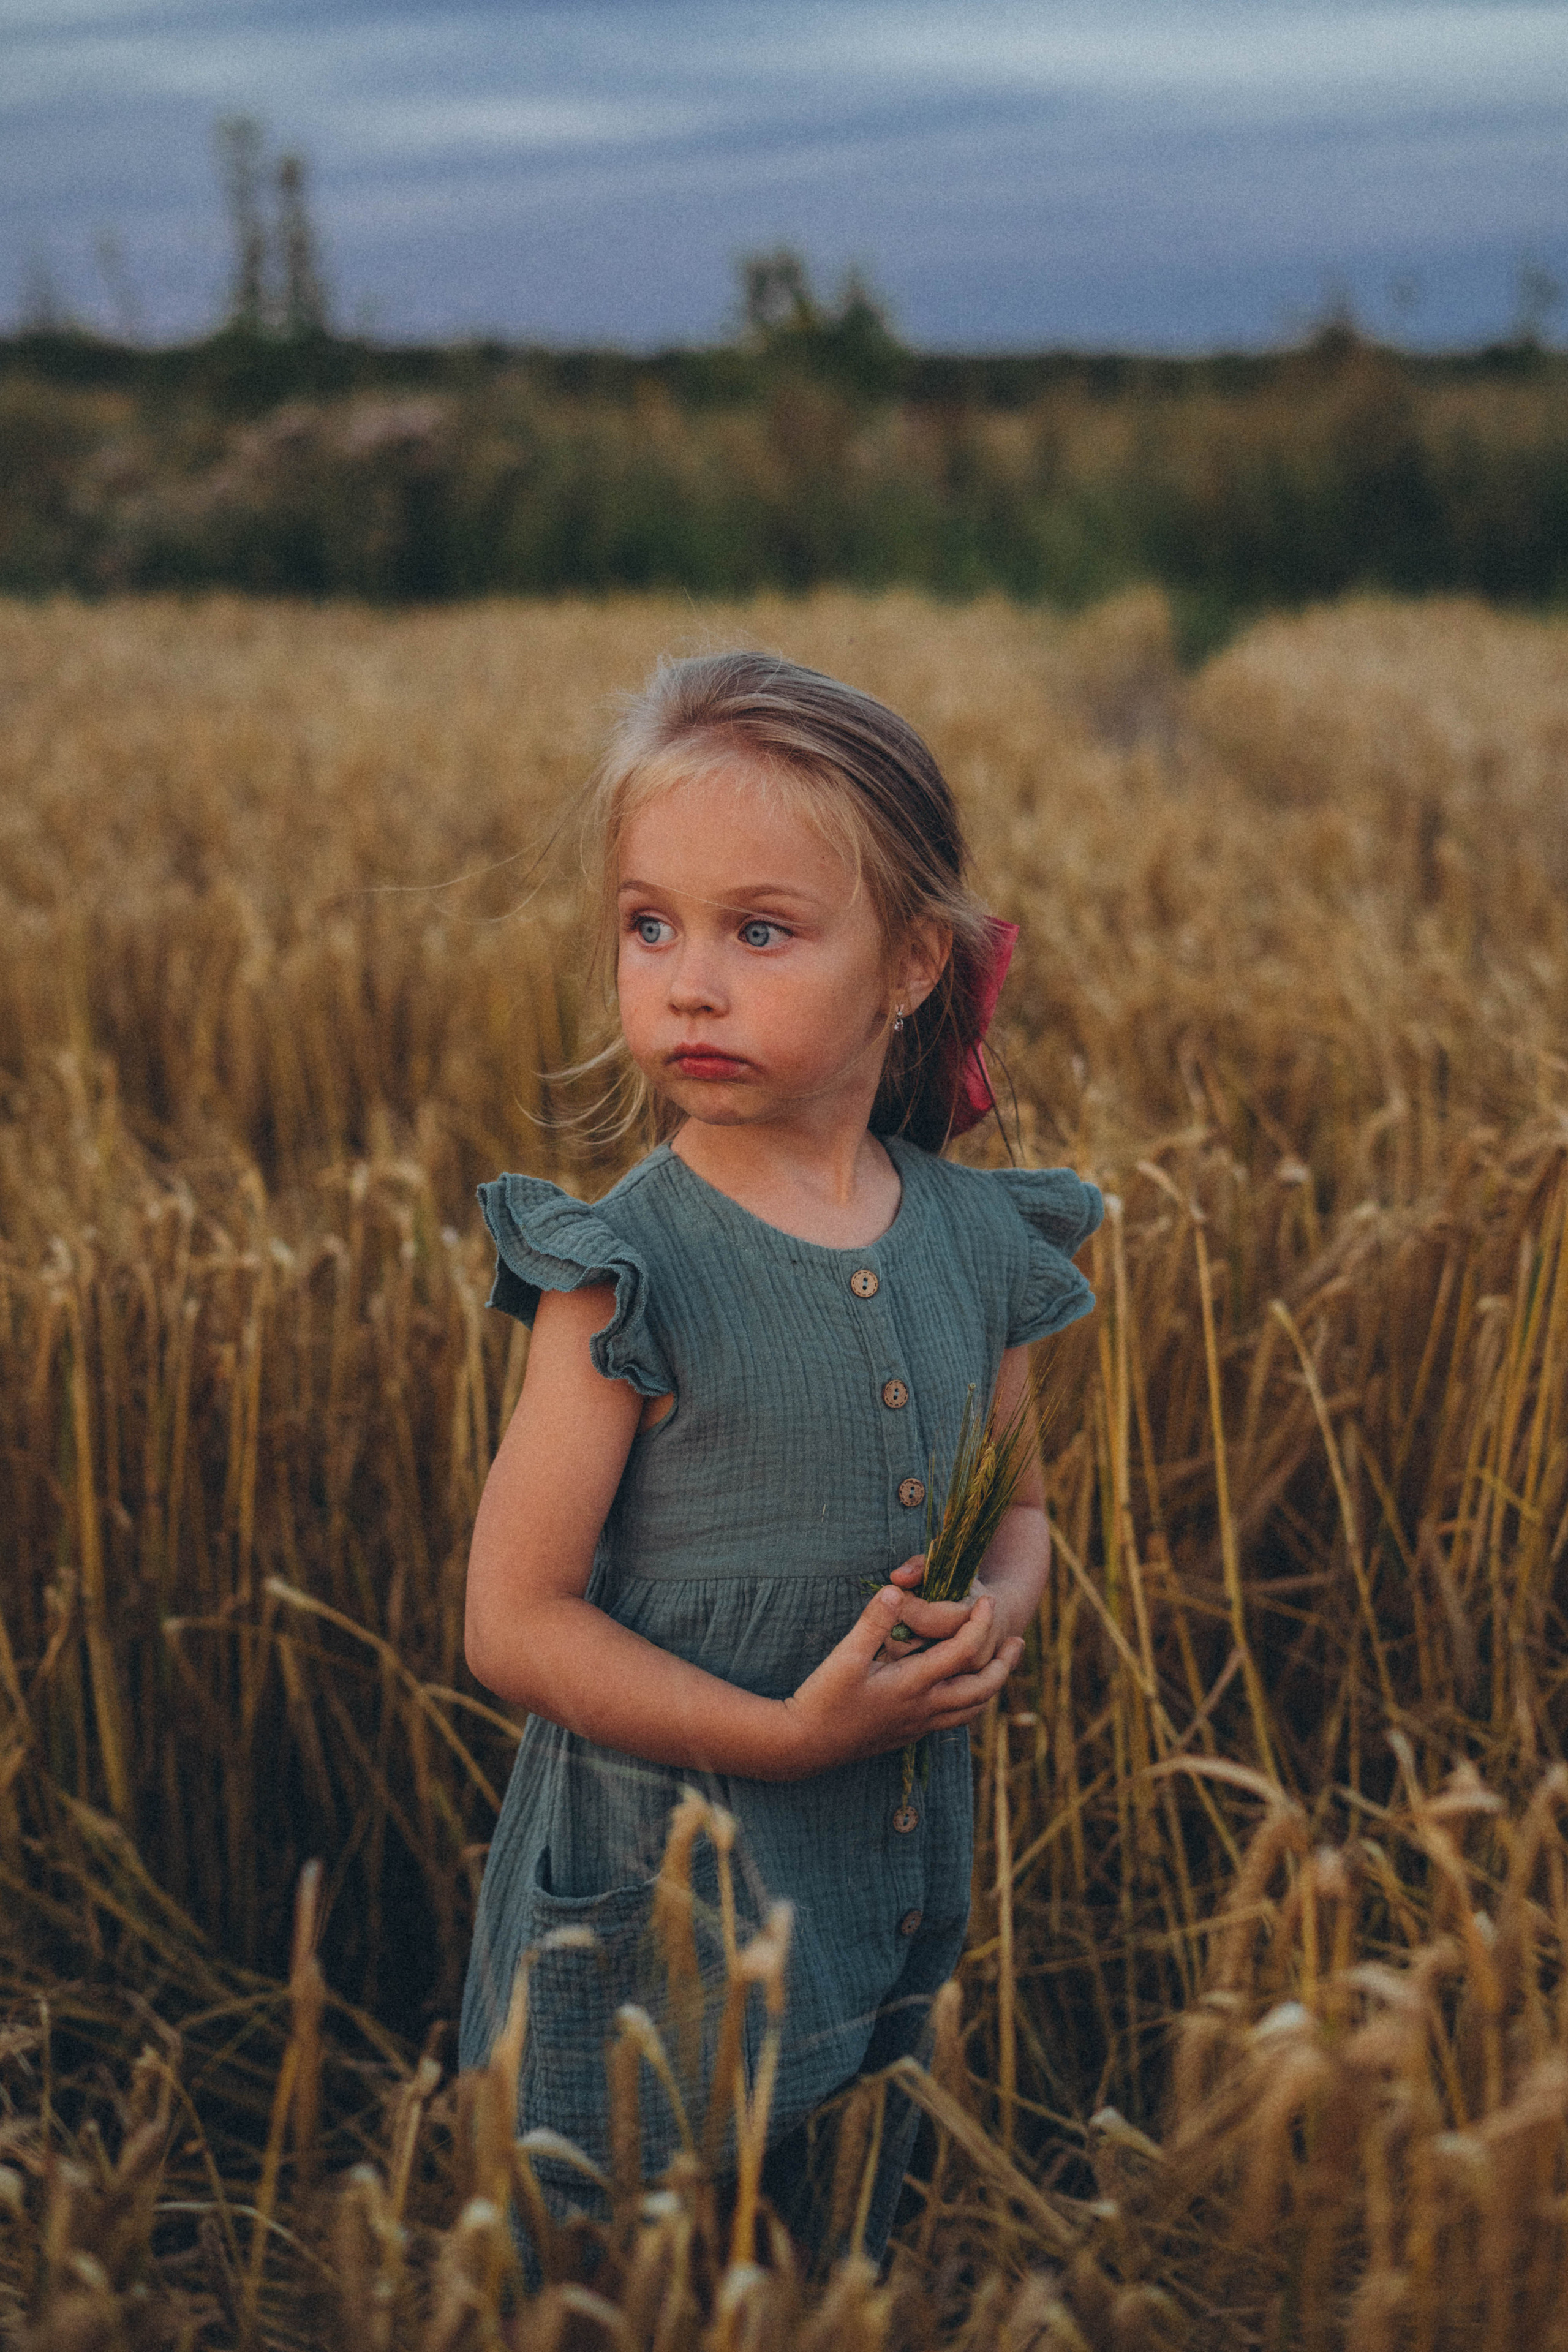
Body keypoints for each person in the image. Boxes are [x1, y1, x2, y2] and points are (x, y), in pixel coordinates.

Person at [459, 649, 1102, 2266]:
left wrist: (1003, 1612)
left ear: (909, 965)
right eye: (646, 924)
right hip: (652, 1902)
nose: (688, 982)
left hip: (874, 1869)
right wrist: (782, 1732)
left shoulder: (981, 1240)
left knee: (820, 2246)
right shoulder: (619, 1270)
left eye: (760, 931)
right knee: (622, 2259)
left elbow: (1018, 1512)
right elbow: (512, 1623)